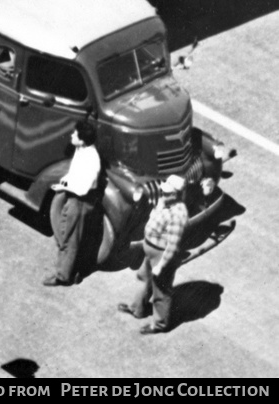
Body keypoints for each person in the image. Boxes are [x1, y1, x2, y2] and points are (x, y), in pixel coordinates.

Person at [118, 174, 188, 334]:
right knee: (145, 279)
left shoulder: (178, 214)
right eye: (163, 191)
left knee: (161, 290)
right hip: (150, 249)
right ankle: (137, 309)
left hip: (162, 255)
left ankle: (160, 324)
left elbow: (173, 245)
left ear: (177, 194)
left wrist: (161, 265)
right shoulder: (165, 203)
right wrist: (160, 204)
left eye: (168, 193)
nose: (163, 194)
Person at [44, 118, 102, 286]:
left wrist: (66, 186)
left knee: (69, 238)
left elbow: (83, 187)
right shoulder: (81, 150)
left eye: (75, 134)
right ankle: (72, 271)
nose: (72, 135)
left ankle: (63, 276)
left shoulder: (92, 159)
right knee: (71, 235)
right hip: (74, 197)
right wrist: (63, 183)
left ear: (82, 140)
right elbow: (74, 174)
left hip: (80, 201)